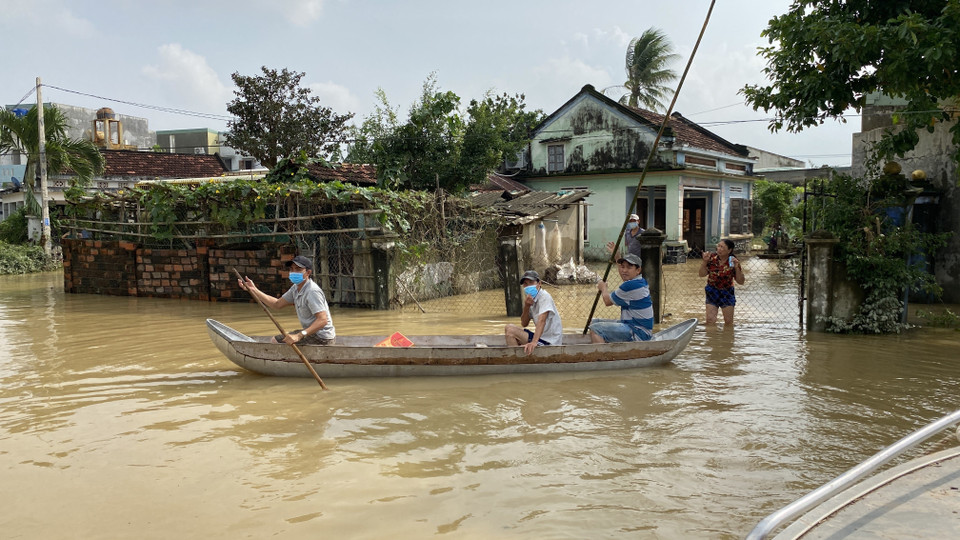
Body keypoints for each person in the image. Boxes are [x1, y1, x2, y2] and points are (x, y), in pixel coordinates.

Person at [237, 255, 336, 345]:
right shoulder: (295, 288)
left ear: (308, 272)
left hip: (322, 337)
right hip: (312, 333)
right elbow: (276, 304)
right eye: (292, 269)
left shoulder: (312, 291)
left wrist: (299, 335)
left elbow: (323, 320)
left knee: (275, 341)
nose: (294, 272)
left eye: (298, 269)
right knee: (282, 338)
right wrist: (254, 290)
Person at [588, 253, 654, 343]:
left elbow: (607, 301)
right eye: (623, 267)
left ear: (638, 270)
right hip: (634, 327)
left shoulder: (630, 286)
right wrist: (617, 257)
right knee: (594, 322)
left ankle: (602, 355)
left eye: (629, 267)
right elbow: (624, 274)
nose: (624, 271)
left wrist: (603, 288)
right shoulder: (640, 281)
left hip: (638, 333)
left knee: (596, 329)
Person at [504, 270, 563, 354]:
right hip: (541, 338)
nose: (528, 286)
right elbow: (524, 323)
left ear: (539, 284)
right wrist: (526, 306)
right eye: (525, 284)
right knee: (508, 327)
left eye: (531, 282)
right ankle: (518, 359)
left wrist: (534, 342)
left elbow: (541, 320)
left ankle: (516, 360)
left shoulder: (544, 297)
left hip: (550, 342)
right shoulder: (531, 299)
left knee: (510, 330)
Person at [699, 239, 745, 326]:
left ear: (729, 250)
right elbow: (701, 274)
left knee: (728, 322)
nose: (719, 249)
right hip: (712, 291)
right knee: (710, 320)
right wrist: (704, 262)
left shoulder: (733, 261)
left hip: (727, 292)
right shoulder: (711, 259)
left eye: (722, 247)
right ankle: (711, 339)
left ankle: (727, 339)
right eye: (718, 246)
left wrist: (736, 268)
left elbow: (741, 281)